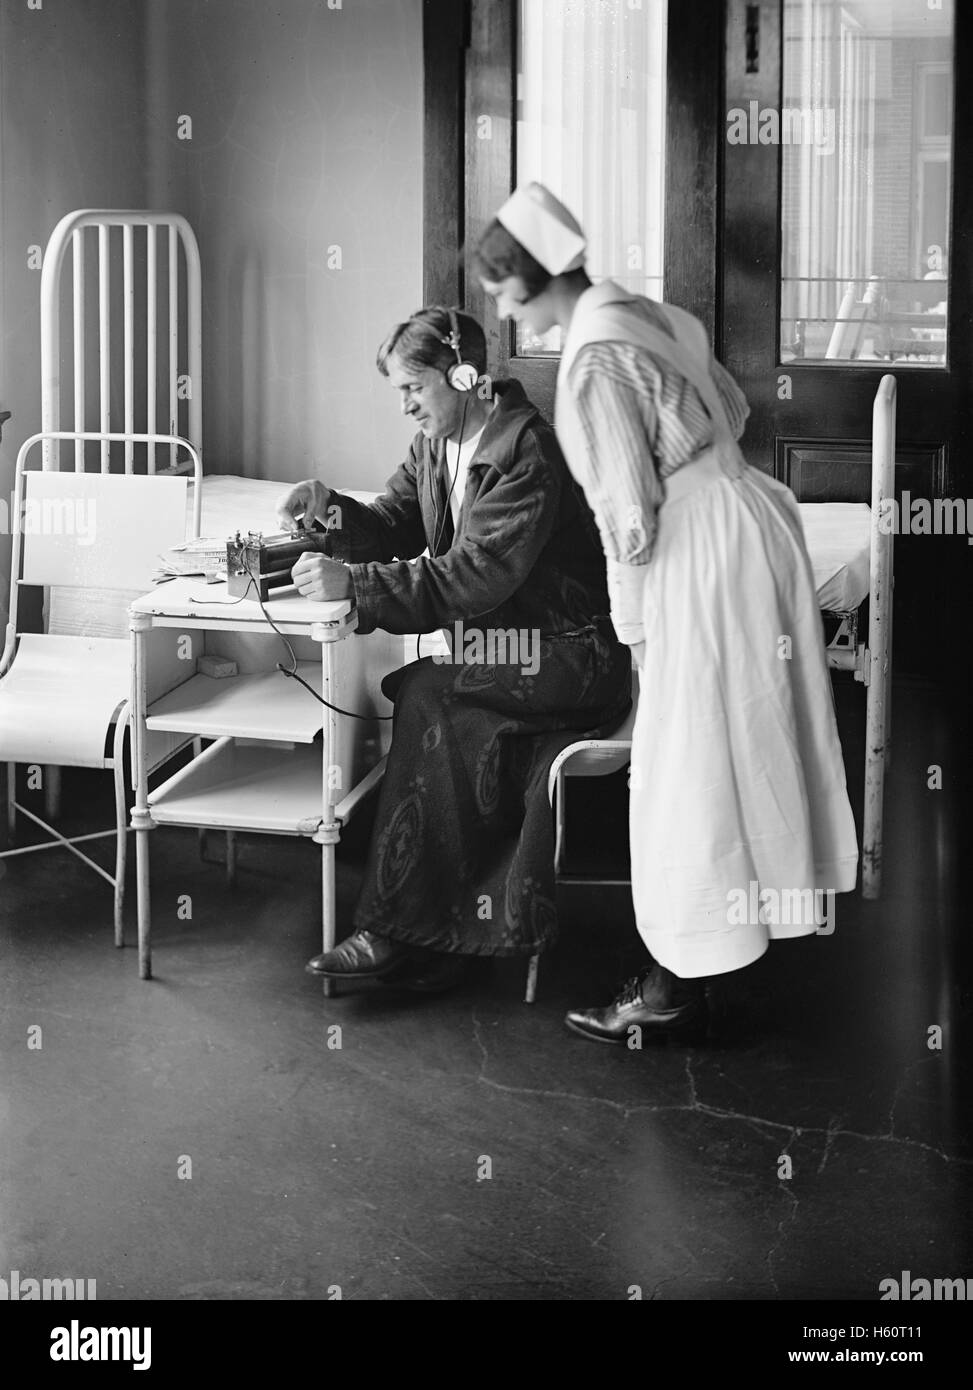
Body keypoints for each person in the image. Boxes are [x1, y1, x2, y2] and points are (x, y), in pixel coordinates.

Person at [473, 184, 859, 1042]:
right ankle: (732, 940)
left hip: (698, 552)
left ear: (534, 277)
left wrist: (636, 632)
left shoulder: (590, 359)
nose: (500, 306)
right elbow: (733, 408)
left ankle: (678, 982)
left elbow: (628, 516)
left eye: (502, 286)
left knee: (683, 758)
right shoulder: (651, 316)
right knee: (745, 735)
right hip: (751, 516)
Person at [276, 306, 631, 994]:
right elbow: (393, 524)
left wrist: (356, 585)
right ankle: (424, 920)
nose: (406, 406)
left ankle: (395, 928)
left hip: (569, 652)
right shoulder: (437, 446)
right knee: (426, 693)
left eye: (414, 388)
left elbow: (473, 574)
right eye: (399, 393)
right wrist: (332, 513)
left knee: (428, 690)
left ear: (464, 376)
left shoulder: (525, 452)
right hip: (512, 646)